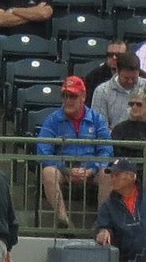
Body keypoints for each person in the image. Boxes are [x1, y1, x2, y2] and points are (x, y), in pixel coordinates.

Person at [37, 78, 114, 230]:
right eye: (65, 96)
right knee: (48, 172)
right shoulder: (53, 120)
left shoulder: (97, 119)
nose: (68, 100)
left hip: (91, 170)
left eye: (72, 96)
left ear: (83, 97)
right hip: (64, 169)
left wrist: (92, 169)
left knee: (108, 172)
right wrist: (66, 169)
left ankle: (101, 222)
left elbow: (106, 149)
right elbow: (43, 150)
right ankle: (63, 220)